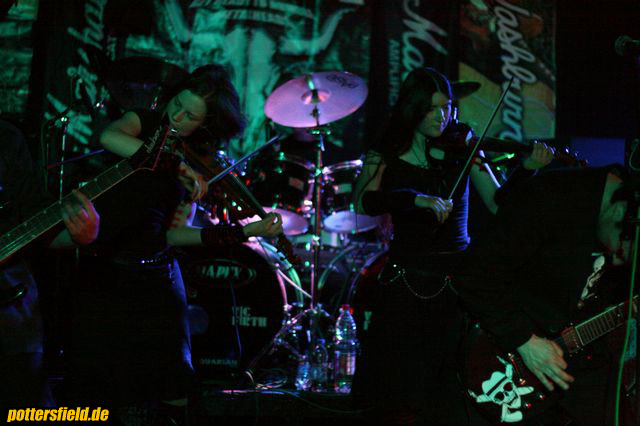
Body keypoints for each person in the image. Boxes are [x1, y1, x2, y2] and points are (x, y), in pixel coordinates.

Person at [63, 64, 283, 423]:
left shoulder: (196, 161)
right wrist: (176, 165)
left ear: (206, 124)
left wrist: (246, 232)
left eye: (190, 116)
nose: (176, 117)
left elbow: (173, 234)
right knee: (98, 386)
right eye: (177, 104)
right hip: (107, 272)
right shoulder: (144, 123)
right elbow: (110, 137)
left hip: (158, 280)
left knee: (174, 388)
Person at [350, 67, 553, 425]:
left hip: (457, 282)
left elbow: (498, 202)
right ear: (412, 108)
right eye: (430, 108)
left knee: (454, 388)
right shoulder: (386, 149)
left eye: (446, 107)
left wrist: (527, 170)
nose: (440, 117)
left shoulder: (463, 144)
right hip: (406, 281)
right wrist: (413, 199)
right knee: (399, 390)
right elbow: (363, 201)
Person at [457, 165, 637, 425]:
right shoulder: (548, 197)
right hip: (511, 348)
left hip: (581, 352)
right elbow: (474, 274)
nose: (619, 260)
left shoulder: (618, 221)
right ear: (619, 213)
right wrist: (524, 340)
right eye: (621, 249)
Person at [0, 119, 99, 409]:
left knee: (27, 407)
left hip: (12, 308)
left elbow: (36, 224)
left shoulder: (7, 138)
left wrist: (81, 236)